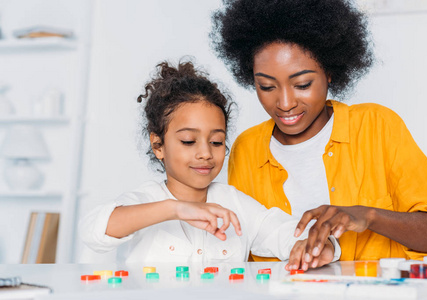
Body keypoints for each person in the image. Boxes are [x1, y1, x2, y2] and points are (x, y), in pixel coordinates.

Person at [210, 0, 427, 270]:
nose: (285, 102)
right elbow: (244, 248)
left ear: (330, 72)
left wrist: (368, 216)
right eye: (266, 86)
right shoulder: (247, 148)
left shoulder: (376, 125)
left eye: (302, 84)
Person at [79, 60, 339, 269]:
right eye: (189, 141)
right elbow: (94, 230)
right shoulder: (146, 200)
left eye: (216, 142)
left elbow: (285, 233)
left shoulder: (234, 204)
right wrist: (176, 209)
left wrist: (318, 246)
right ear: (158, 145)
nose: (205, 153)